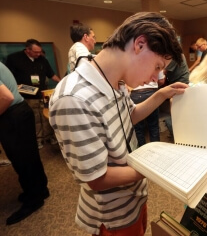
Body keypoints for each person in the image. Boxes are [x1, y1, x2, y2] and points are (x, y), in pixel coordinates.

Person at [48, 12, 188, 236]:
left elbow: (129, 116)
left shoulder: (116, 81)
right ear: (140, 44)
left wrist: (162, 94)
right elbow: (97, 178)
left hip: (133, 197)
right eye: (157, 66)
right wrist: (155, 169)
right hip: (112, 215)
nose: (156, 76)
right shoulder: (73, 98)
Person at [0, 62, 49, 225]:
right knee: (30, 157)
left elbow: (6, 97)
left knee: (23, 161)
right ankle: (40, 190)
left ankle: (34, 200)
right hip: (20, 112)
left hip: (12, 115)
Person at [5, 39, 61, 148]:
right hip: (27, 95)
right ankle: (38, 139)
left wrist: (62, 82)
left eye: (40, 51)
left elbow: (51, 74)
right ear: (28, 50)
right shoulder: (14, 59)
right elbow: (10, 78)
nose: (38, 54)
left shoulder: (42, 60)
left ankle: (49, 137)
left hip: (43, 94)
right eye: (36, 52)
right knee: (34, 118)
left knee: (46, 116)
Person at [130, 71, 165, 147]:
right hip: (151, 93)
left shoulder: (131, 60)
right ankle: (156, 150)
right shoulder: (157, 60)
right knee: (154, 126)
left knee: (138, 128)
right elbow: (161, 80)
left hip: (135, 94)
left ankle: (142, 153)